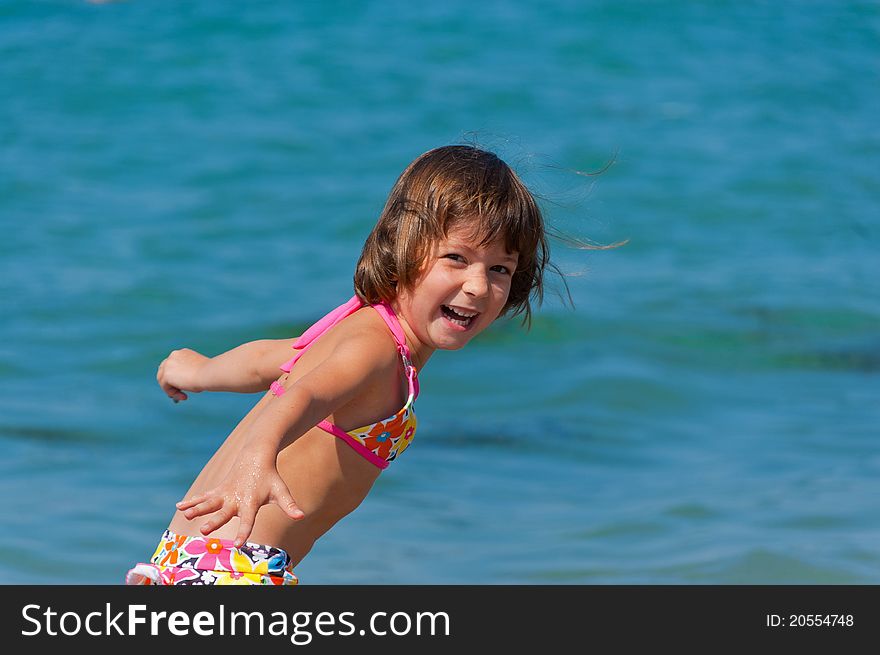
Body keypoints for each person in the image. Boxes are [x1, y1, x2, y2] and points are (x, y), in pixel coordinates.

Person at [125, 145, 557, 585]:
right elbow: (304, 395)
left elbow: (269, 362)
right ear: (404, 247)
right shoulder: (377, 349)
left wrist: (198, 371)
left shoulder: (355, 325)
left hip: (183, 558)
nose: (478, 286)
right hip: (236, 569)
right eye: (457, 258)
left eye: (500, 269)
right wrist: (259, 456)